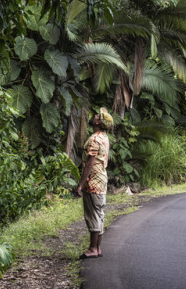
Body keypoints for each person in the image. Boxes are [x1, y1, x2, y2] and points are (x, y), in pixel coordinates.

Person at [76, 107, 113, 259]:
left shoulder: (94, 139)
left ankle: (92, 248)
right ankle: (97, 248)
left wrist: (80, 184)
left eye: (97, 115)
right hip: (102, 179)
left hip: (93, 180)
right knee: (99, 213)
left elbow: (90, 164)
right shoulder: (104, 137)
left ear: (98, 122)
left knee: (93, 214)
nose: (95, 116)